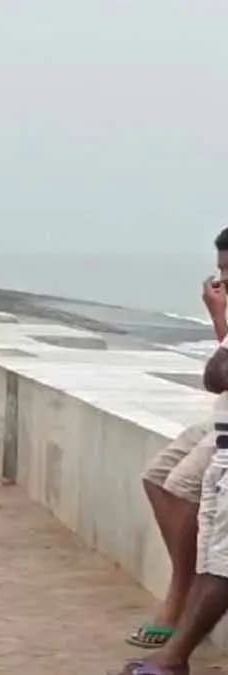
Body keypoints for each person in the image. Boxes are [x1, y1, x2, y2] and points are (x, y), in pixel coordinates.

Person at [112, 229, 228, 675]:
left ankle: (177, 633)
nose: (222, 279)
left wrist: (220, 317)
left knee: (215, 552)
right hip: (218, 420)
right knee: (158, 477)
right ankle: (181, 594)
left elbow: (219, 371)